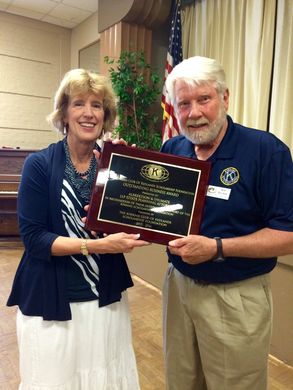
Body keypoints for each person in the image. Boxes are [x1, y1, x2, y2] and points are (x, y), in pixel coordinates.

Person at [7, 68, 150, 389]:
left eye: (97, 105)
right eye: (79, 104)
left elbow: (134, 221)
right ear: (64, 114)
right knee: (58, 379)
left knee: (104, 376)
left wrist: (129, 170)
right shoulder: (39, 164)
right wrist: (98, 246)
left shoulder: (113, 164)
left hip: (104, 299)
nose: (89, 113)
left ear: (106, 115)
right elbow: (34, 239)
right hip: (52, 299)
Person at [161, 56, 293, 390]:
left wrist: (216, 248)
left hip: (235, 296)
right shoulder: (173, 148)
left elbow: (288, 235)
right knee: (181, 381)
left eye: (203, 99)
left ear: (225, 98)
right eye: (184, 104)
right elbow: (160, 213)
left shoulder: (266, 151)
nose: (194, 113)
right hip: (178, 287)